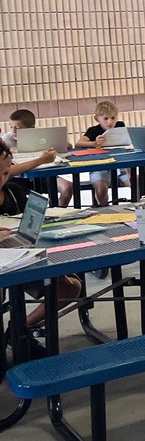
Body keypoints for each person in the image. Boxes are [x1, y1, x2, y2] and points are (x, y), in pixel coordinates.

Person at [0, 140, 82, 326]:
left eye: (5, 173)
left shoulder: (13, 192)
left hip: (20, 257)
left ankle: (20, 329)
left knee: (70, 287)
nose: (1, 179)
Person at [6, 108, 72, 206]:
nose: (14, 131)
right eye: (11, 127)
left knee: (68, 186)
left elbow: (68, 145)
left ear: (31, 128)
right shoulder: (7, 139)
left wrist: (51, 146)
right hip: (19, 178)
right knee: (21, 195)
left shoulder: (40, 136)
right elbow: (8, 168)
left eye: (18, 128)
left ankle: (57, 213)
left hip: (42, 174)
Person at [75, 100, 130, 206]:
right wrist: (94, 143)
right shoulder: (93, 131)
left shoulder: (120, 126)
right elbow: (78, 143)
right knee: (100, 188)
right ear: (97, 119)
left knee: (136, 181)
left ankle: (138, 207)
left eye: (113, 118)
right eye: (105, 118)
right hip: (99, 166)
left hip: (121, 164)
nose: (110, 122)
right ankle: (104, 209)